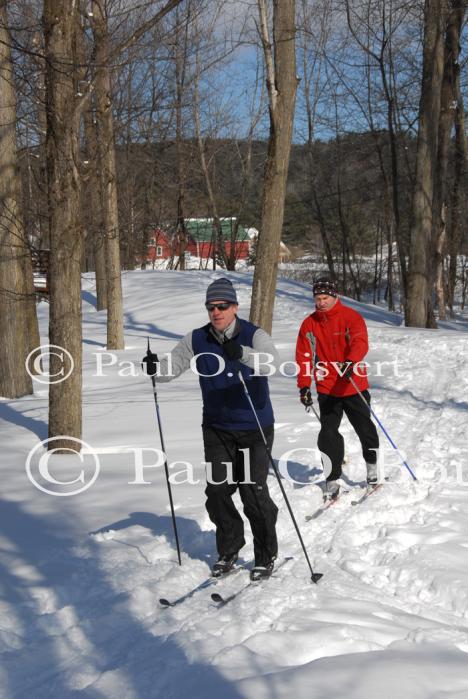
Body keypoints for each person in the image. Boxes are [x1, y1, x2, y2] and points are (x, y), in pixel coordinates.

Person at [143, 277, 279, 581]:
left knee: (253, 492)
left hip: (254, 425)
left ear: (234, 307)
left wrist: (240, 353)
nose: (216, 312)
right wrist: (155, 368)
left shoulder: (253, 334)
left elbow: (272, 363)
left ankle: (265, 553)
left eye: (222, 306)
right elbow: (172, 367)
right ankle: (229, 548)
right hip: (216, 426)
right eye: (211, 307)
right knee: (217, 491)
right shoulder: (197, 338)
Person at [295, 278, 380, 500]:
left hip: (353, 384)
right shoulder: (309, 324)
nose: (321, 302)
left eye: (325, 298)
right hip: (327, 387)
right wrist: (304, 385)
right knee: (328, 434)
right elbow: (304, 357)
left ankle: (372, 469)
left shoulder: (351, 317)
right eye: (317, 298)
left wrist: (351, 362)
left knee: (365, 429)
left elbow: (360, 341)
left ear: (335, 297)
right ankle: (332, 479)